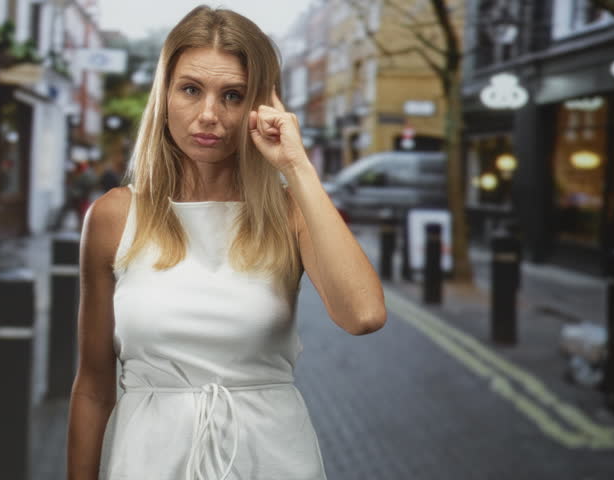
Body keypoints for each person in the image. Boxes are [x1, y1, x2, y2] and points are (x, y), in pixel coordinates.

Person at [67, 6, 386, 480]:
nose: (209, 115)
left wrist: (297, 167)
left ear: (261, 106)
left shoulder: (289, 211)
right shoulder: (115, 216)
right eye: (191, 89)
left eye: (233, 95)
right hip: (146, 461)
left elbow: (363, 315)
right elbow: (94, 386)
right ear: (166, 95)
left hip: (271, 459)